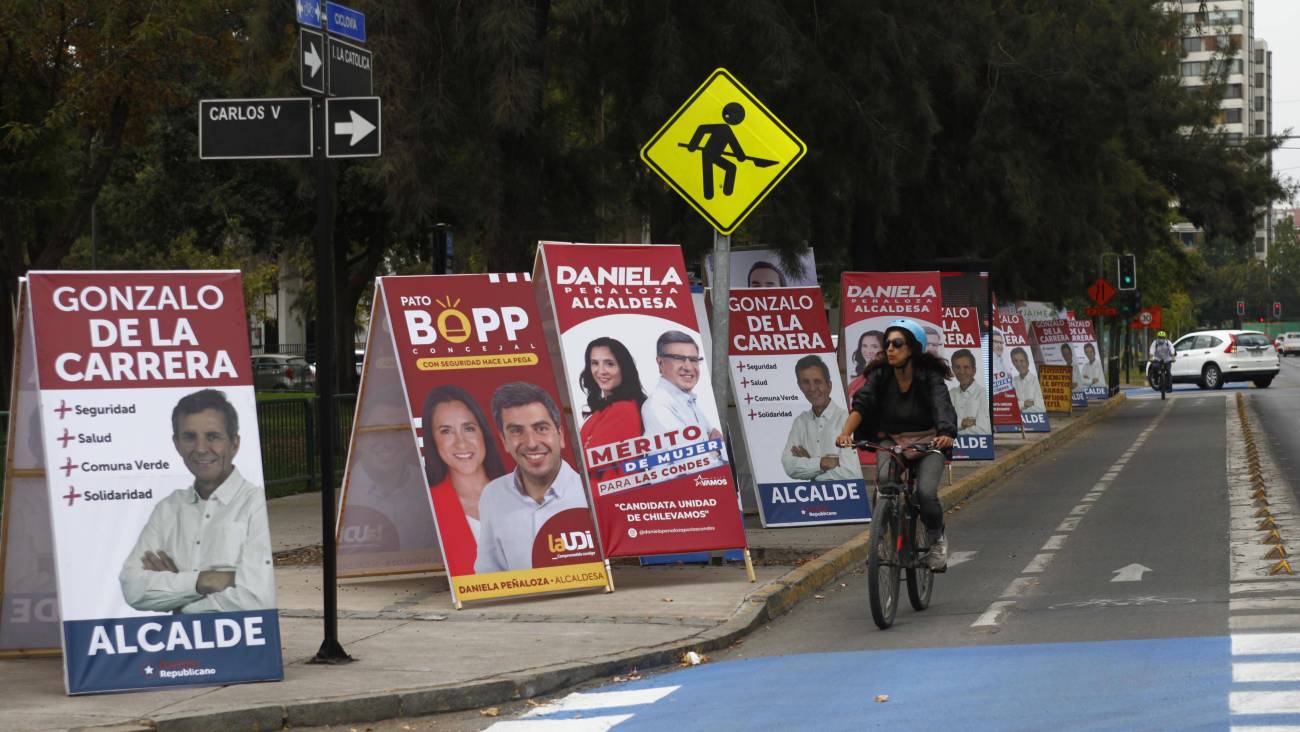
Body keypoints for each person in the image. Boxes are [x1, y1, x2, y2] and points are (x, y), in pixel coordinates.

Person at [119, 389, 274, 613]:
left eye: (213, 436)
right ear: (176, 443)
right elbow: (132, 588)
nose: (201, 449)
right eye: (190, 437)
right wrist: (206, 580)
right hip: (181, 646)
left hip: (243, 646)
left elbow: (259, 600)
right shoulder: (169, 509)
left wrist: (181, 599)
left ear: (234, 443)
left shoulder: (256, 505)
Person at [836, 319, 957, 570]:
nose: (890, 348)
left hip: (929, 440)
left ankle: (937, 542)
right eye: (887, 343)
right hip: (893, 440)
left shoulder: (929, 376)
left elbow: (941, 404)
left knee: (925, 493)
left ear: (912, 348)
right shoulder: (880, 375)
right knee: (884, 486)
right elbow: (862, 404)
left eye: (897, 343)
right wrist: (846, 433)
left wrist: (946, 432)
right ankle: (880, 542)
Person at [475, 382, 592, 574]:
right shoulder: (492, 494)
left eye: (541, 428)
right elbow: (488, 571)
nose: (530, 443)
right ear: (504, 441)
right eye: (516, 431)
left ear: (560, 435)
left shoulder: (589, 491)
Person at [422, 386, 506, 576]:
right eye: (446, 431)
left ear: (483, 432)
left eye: (468, 428)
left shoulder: (525, 491)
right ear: (433, 441)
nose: (461, 443)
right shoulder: (430, 505)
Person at [782, 355, 862, 482]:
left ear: (829, 385)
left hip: (847, 500)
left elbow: (852, 473)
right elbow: (789, 466)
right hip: (813, 499)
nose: (812, 388)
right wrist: (823, 463)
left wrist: (811, 469)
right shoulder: (800, 422)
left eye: (817, 381)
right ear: (800, 386)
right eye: (806, 382)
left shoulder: (846, 419)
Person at [642, 330, 724, 448]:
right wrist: (714, 447)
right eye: (679, 358)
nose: (688, 367)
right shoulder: (657, 405)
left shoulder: (688, 400)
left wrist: (710, 446)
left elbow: (715, 440)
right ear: (660, 363)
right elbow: (696, 461)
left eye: (693, 360)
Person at [579, 337, 646, 449]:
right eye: (595, 363)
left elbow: (596, 462)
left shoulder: (621, 410)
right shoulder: (607, 407)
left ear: (623, 368)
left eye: (609, 364)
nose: (601, 371)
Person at [948, 349, 991, 435]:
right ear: (953, 369)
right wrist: (962, 423)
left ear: (974, 370)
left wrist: (954, 432)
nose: (961, 372)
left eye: (966, 367)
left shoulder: (984, 394)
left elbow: (984, 431)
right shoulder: (950, 394)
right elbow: (943, 424)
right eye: (957, 367)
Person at [846, 330, 884, 398]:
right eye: (864, 346)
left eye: (874, 346)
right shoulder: (859, 376)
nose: (868, 350)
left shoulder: (885, 375)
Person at [1009, 347, 1045, 413]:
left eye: (1021, 361)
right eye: (1016, 361)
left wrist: (1019, 407)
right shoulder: (1012, 382)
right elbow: (1010, 405)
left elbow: (1041, 408)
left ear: (1027, 362)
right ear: (1013, 363)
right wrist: (1024, 404)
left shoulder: (1036, 381)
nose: (1019, 364)